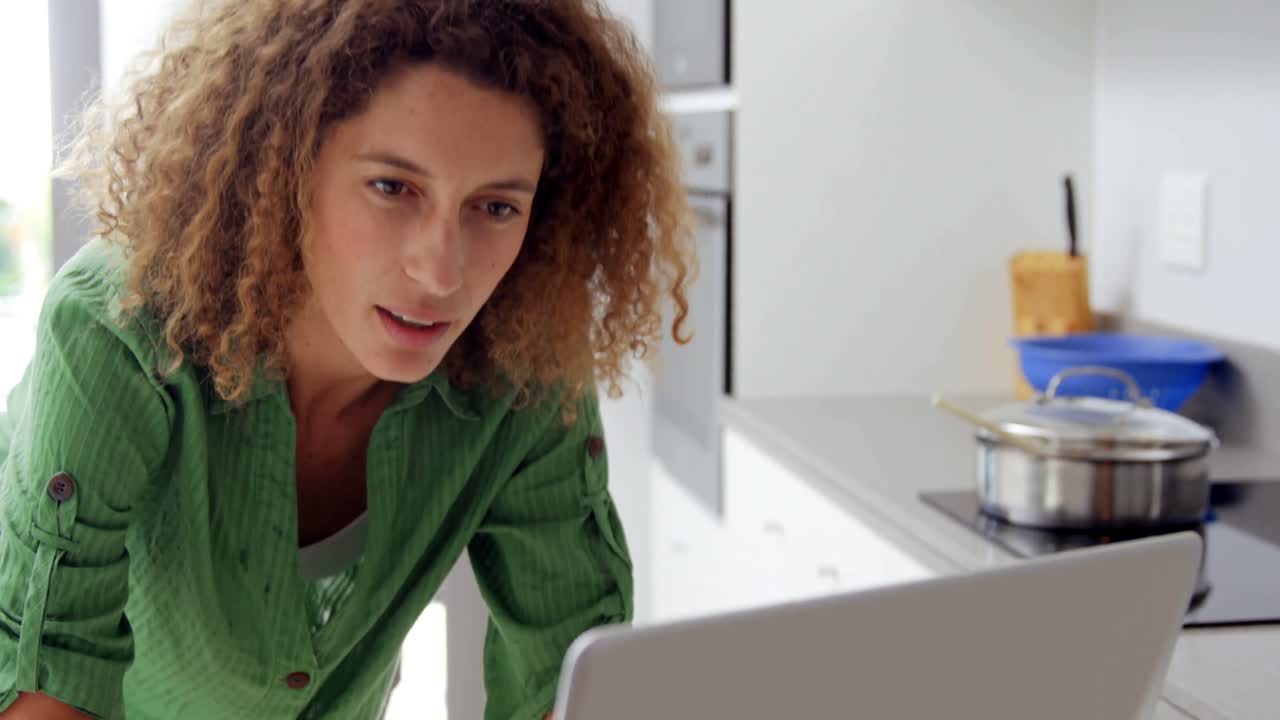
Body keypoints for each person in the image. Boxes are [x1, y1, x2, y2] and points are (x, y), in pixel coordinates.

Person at [0, 1, 692, 718]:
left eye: (495, 208)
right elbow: (45, 681)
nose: (442, 273)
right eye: (393, 188)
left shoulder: (526, 370)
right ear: (286, 162)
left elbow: (573, 675)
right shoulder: (121, 332)